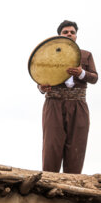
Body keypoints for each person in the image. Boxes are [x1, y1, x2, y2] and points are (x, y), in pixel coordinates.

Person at [38, 20, 98, 174]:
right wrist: (41, 87)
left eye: (72, 32)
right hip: (54, 103)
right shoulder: (48, 55)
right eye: (65, 32)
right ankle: (48, 183)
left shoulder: (86, 55)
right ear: (59, 35)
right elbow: (40, 77)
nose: (69, 34)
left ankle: (71, 187)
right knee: (52, 144)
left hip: (78, 104)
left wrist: (81, 73)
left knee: (77, 145)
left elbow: (95, 78)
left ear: (76, 36)